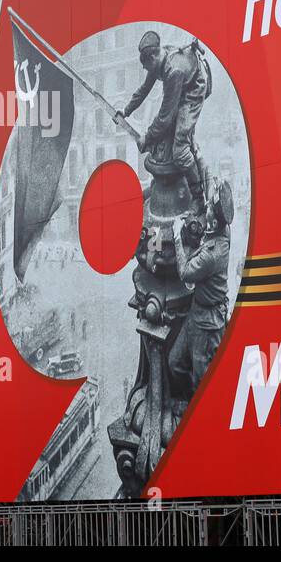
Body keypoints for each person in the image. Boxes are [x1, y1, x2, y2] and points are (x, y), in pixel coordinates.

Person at [117, 30, 211, 205]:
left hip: (192, 91)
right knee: (168, 137)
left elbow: (165, 117)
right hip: (182, 85)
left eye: (146, 66)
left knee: (180, 150)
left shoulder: (172, 71)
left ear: (152, 57)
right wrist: (126, 110)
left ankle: (198, 196)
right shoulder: (159, 57)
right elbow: (144, 89)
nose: (145, 70)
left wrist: (148, 137)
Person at [168, 181, 232, 399]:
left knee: (201, 381)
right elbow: (211, 196)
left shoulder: (211, 255)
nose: (206, 212)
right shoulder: (224, 230)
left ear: (213, 221)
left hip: (207, 325)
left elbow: (185, 272)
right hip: (197, 313)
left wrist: (177, 235)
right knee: (174, 362)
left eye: (209, 211)